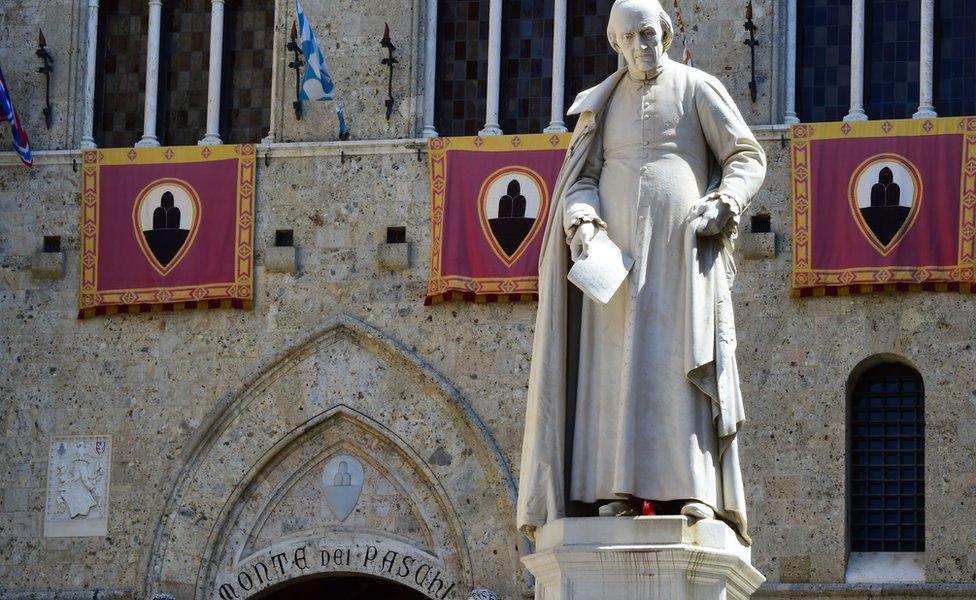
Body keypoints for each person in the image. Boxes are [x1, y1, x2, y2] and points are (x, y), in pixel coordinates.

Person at [517, 0, 766, 543]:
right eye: (629, 38)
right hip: (617, 261)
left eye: (649, 33)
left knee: (681, 360)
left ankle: (696, 490)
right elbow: (583, 177)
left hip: (683, 251)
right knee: (613, 370)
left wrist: (726, 201)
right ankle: (616, 491)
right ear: (615, 43)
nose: (641, 46)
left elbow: (746, 155)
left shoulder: (698, 87)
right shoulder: (601, 108)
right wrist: (581, 220)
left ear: (667, 33)